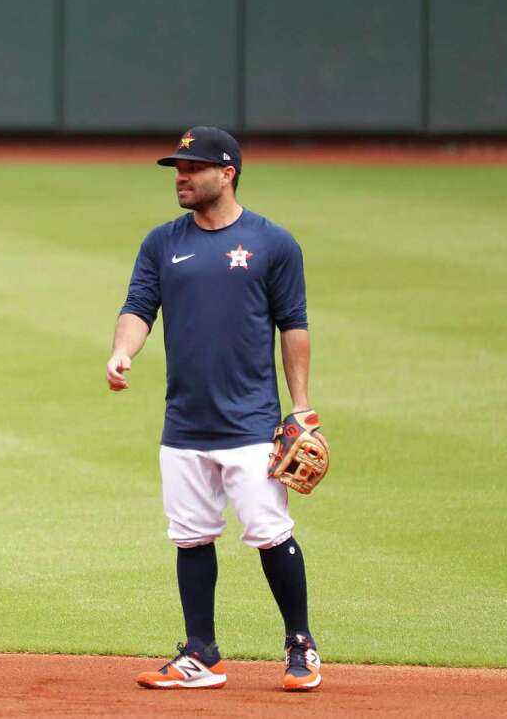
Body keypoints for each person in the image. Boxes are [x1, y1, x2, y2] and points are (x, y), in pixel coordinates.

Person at [107, 127, 322, 690]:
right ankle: (200, 652)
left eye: (191, 167)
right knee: (191, 536)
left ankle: (300, 644)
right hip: (183, 424)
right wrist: (121, 352)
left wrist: (300, 409)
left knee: (270, 531)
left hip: (250, 422)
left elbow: (293, 326)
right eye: (176, 168)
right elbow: (137, 308)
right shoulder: (161, 242)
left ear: (226, 173)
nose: (180, 176)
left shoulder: (273, 243)